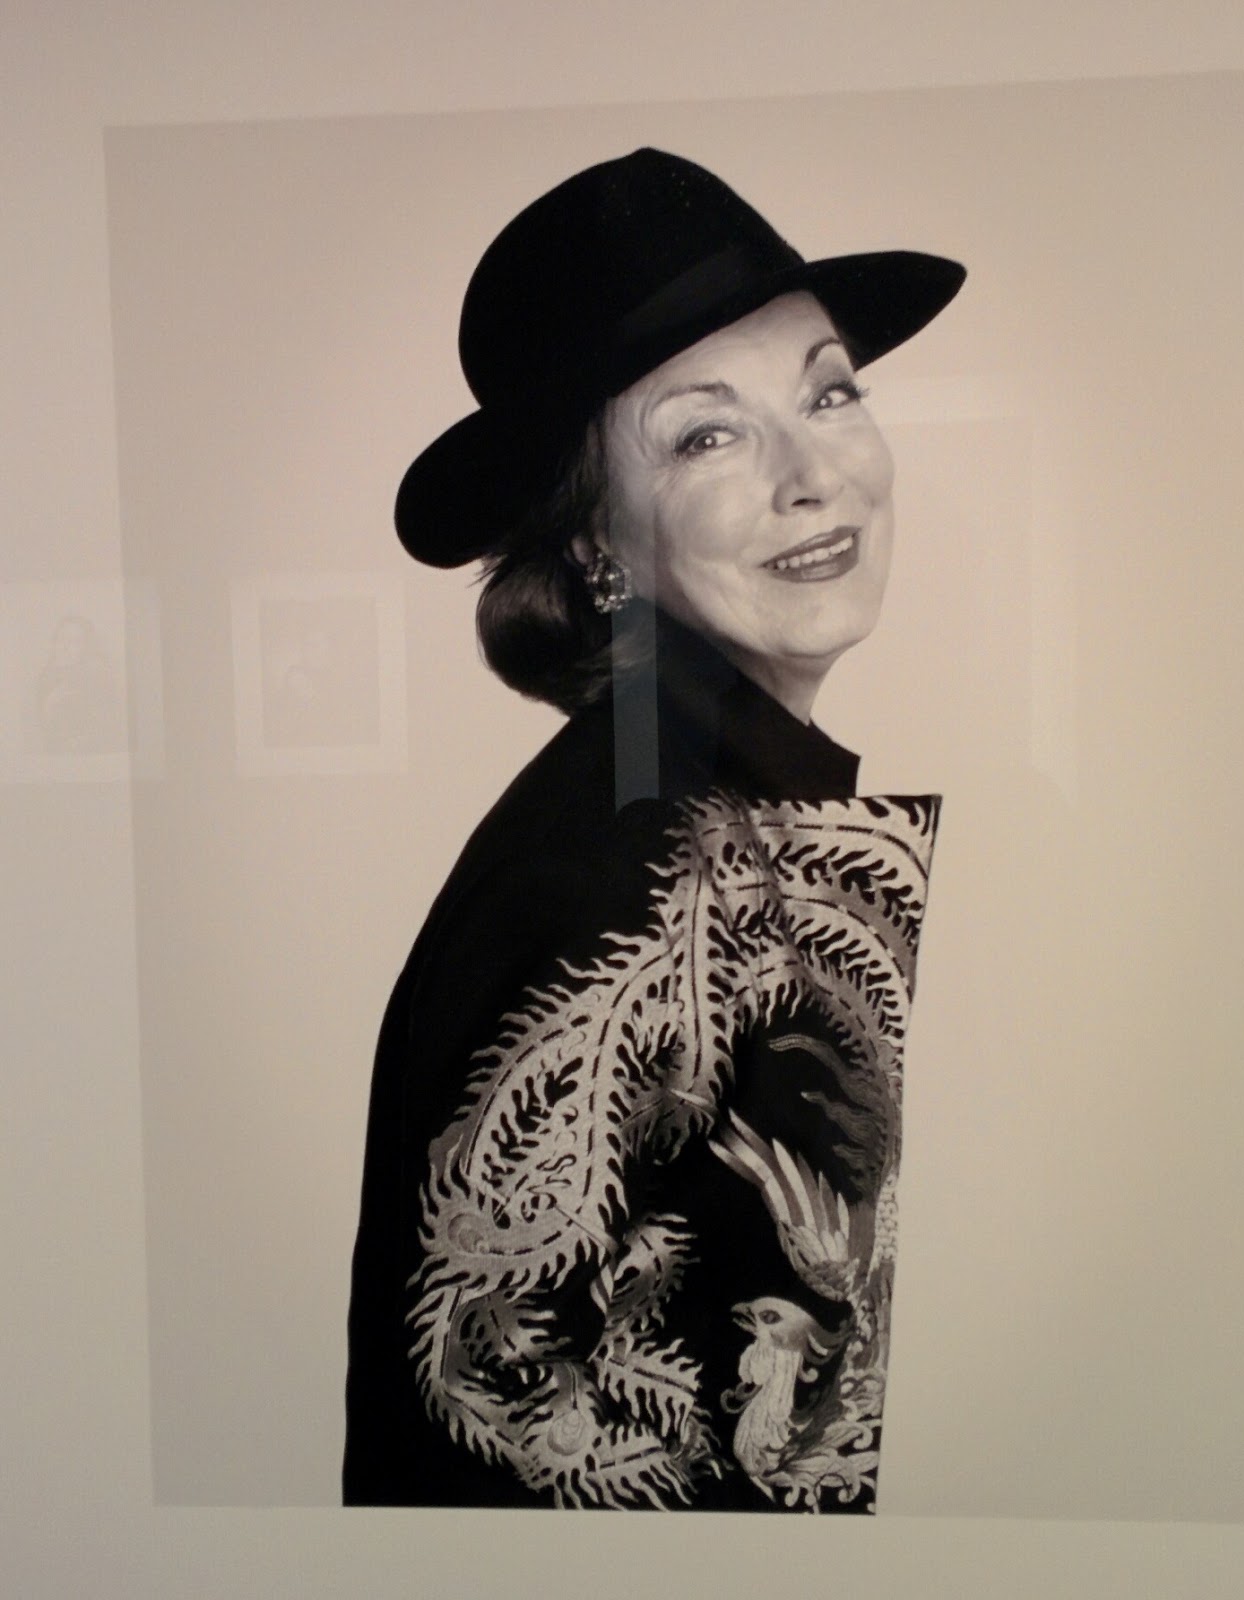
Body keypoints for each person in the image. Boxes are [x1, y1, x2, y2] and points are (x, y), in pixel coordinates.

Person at [344, 148, 964, 1512]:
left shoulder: (718, 811)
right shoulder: (628, 867)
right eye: (707, 435)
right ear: (596, 544)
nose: (814, 475)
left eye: (829, 392)